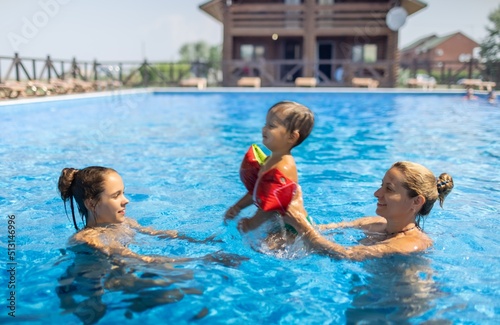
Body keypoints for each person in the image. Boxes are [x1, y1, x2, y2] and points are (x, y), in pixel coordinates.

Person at [283, 161, 454, 261]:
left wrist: (300, 223)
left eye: (389, 189)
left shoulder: (412, 244)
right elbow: (319, 229)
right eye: (381, 185)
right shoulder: (371, 223)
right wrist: (288, 214)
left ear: (416, 201)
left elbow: (346, 254)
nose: (377, 194)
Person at [58, 166, 227, 264]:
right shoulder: (88, 239)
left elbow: (161, 234)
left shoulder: (125, 223)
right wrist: (203, 259)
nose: (126, 201)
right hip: (98, 288)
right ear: (91, 203)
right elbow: (137, 260)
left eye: (123, 193)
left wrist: (203, 241)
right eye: (116, 195)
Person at [224, 101, 314, 239]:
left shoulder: (283, 167)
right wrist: (238, 206)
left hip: (291, 228)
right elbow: (259, 192)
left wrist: (252, 224)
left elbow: (272, 206)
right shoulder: (270, 160)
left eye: (271, 126)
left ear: (292, 137)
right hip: (277, 225)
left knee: (253, 254)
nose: (264, 129)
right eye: (265, 124)